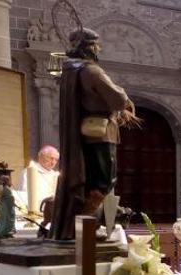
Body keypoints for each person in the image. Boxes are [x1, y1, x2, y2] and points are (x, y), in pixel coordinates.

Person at [50, 28, 136, 241]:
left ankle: (78, 227)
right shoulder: (91, 71)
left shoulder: (70, 71)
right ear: (87, 47)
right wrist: (124, 97)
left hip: (86, 135)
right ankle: (82, 227)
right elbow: (117, 99)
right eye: (96, 45)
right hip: (100, 135)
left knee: (91, 182)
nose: (98, 49)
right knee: (103, 182)